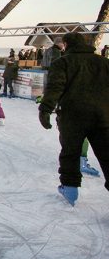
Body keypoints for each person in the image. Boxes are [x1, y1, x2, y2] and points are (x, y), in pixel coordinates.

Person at [38, 32, 109, 206]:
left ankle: (70, 190)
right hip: (103, 116)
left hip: (73, 116)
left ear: (66, 44)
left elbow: (55, 87)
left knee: (70, 152)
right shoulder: (104, 62)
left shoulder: (62, 63)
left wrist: (45, 109)